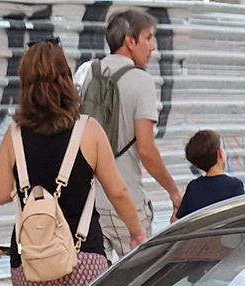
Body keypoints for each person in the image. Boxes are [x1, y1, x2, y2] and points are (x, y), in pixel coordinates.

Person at [0, 40, 145, 286]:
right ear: (65, 79)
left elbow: (1, 194)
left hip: (30, 258)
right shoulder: (88, 130)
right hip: (83, 254)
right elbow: (118, 192)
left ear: (25, 84)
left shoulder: (13, 135)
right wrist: (137, 232)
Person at [76, 9, 177, 263]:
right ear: (130, 42)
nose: (153, 47)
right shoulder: (141, 81)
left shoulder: (86, 72)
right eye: (148, 38)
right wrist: (174, 192)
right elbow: (146, 150)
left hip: (87, 203)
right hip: (126, 202)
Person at [176, 128, 244, 218]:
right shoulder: (235, 185)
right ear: (220, 153)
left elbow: (178, 220)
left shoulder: (193, 188)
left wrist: (175, 208)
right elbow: (242, 217)